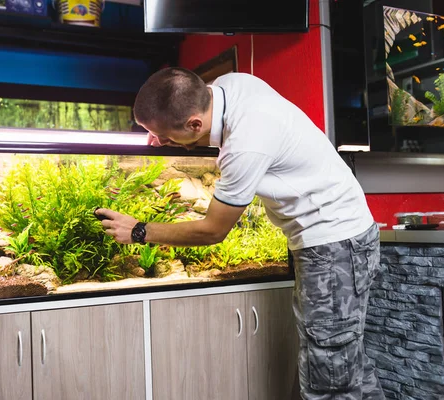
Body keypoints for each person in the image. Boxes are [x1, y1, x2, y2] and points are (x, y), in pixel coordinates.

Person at [95, 67, 385, 399]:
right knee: (342, 363)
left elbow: (212, 230)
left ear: (194, 124)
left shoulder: (245, 145)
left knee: (330, 374)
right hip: (340, 240)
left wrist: (138, 230)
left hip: (334, 246)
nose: (160, 142)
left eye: (166, 136)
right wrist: (164, 130)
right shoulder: (230, 85)